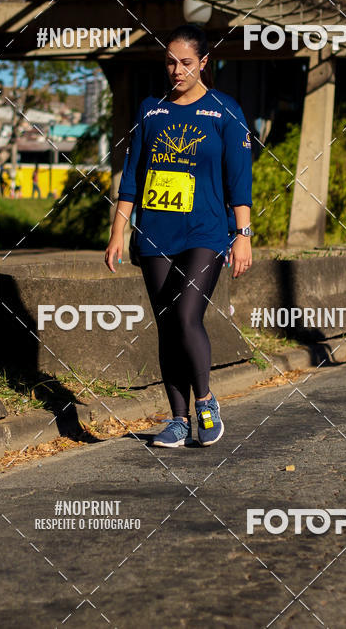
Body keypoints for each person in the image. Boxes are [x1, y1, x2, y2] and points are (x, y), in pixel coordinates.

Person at [105, 25, 253, 448]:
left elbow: (238, 180)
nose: (177, 70)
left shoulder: (225, 111)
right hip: (154, 234)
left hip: (205, 231)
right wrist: (119, 231)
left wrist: (242, 234)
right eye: (170, 61)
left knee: (188, 316)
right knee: (168, 326)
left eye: (186, 62)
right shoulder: (150, 110)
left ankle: (205, 401)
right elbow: (132, 176)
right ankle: (177, 420)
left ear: (203, 63)